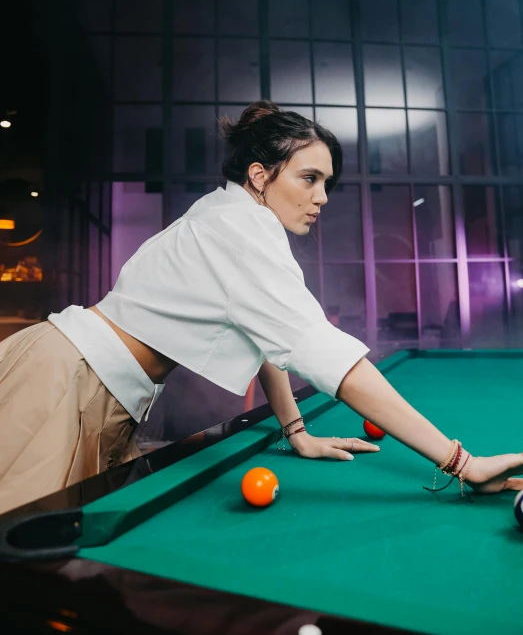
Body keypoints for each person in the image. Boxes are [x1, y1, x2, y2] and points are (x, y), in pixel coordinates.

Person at [0, 101, 521, 515]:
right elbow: (332, 362)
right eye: (309, 178)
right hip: (63, 381)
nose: (321, 197)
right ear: (259, 174)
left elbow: (267, 340)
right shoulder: (242, 231)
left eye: (327, 184)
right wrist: (462, 462)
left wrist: (296, 433)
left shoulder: (229, 211)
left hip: (84, 382)